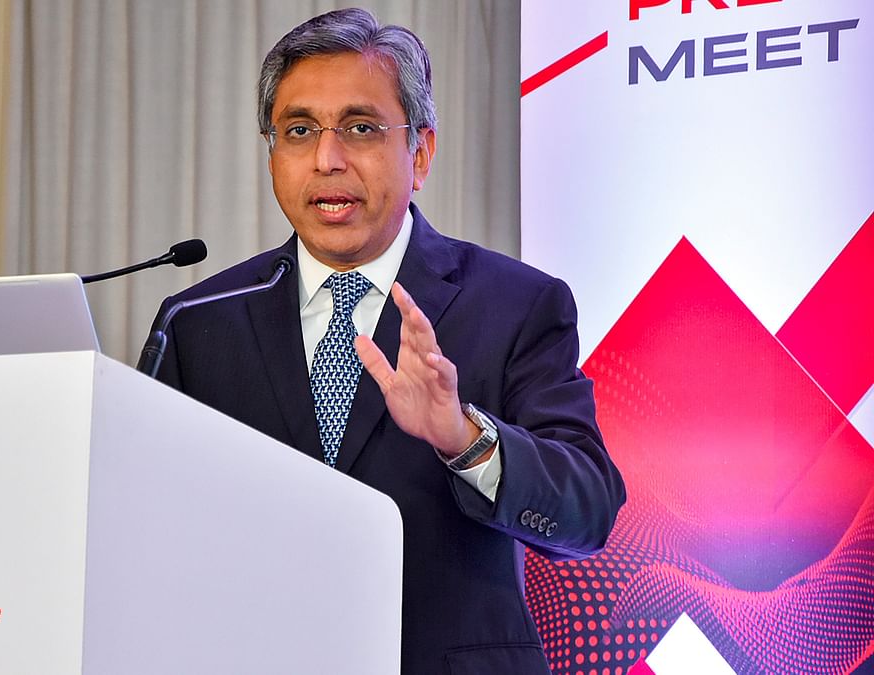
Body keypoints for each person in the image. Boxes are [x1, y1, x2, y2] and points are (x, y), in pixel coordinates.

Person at [150, 8, 625, 674]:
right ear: (272, 155)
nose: (327, 158)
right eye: (298, 130)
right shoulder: (200, 320)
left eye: (361, 127)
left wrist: (464, 437)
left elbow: (589, 509)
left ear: (421, 152)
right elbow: (149, 524)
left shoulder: (516, 304)